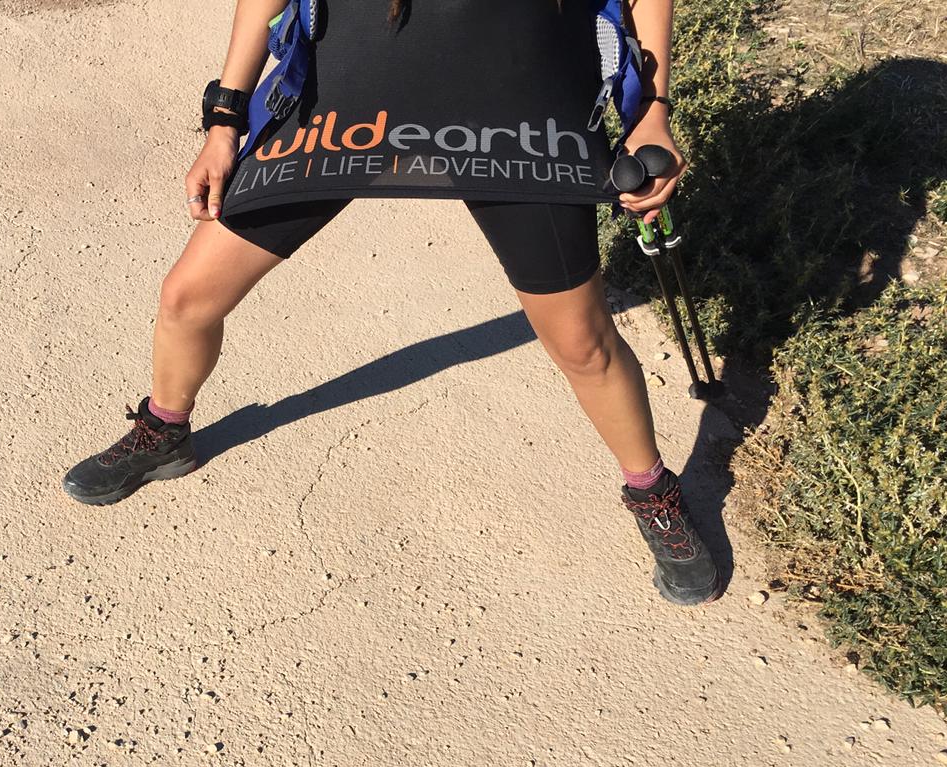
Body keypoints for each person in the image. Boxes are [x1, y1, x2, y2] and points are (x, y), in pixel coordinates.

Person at [61, 0, 724, 605]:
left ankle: (654, 493)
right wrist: (224, 120)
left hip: (521, 103)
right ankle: (165, 429)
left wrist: (651, 114)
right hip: (347, 91)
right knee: (188, 296)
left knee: (581, 341)